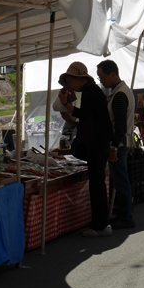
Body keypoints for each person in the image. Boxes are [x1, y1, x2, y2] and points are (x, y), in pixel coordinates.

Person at [58, 61, 114, 236]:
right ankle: (101, 224)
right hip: (99, 142)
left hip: (97, 142)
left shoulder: (90, 90)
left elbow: (84, 114)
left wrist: (66, 105)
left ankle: (99, 225)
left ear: (78, 78)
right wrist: (70, 117)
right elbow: (88, 119)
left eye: (70, 81)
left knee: (96, 185)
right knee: (97, 183)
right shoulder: (92, 90)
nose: (70, 85)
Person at [97, 59, 135, 229]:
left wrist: (113, 146)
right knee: (120, 180)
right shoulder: (121, 92)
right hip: (120, 144)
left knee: (120, 180)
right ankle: (124, 214)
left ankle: (125, 216)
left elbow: (119, 125)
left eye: (102, 77)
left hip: (118, 146)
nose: (101, 81)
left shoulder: (120, 95)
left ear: (112, 74)